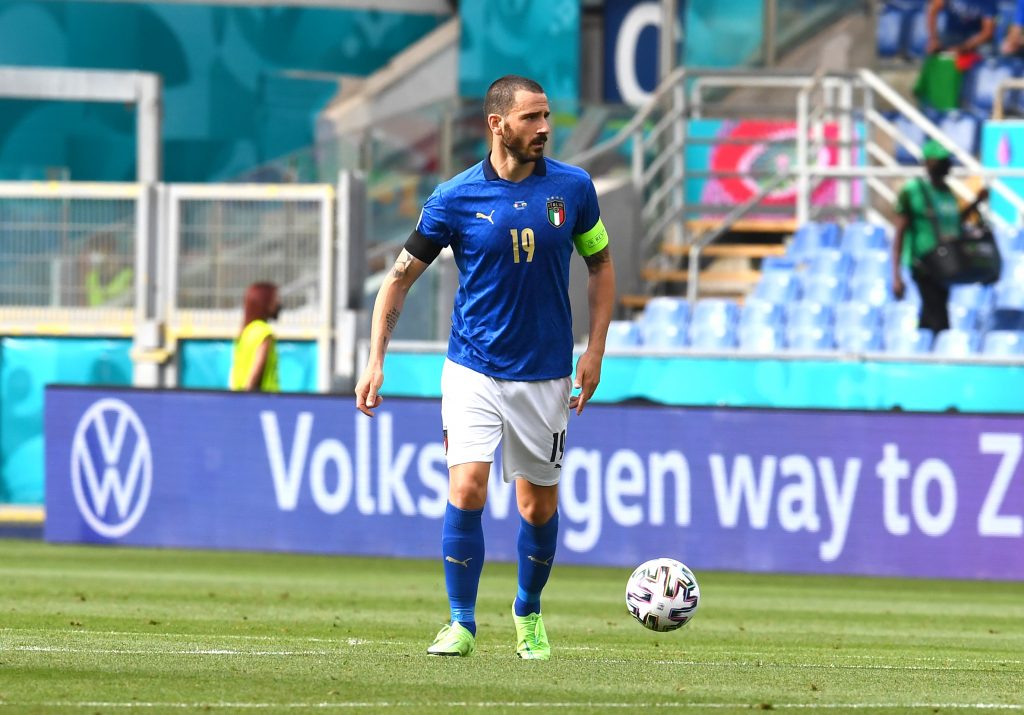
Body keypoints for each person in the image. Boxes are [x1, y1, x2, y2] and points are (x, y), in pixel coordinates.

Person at [354, 75, 615, 660]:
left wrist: (595, 350)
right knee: (467, 486)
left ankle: (528, 610)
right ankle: (461, 622)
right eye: (530, 118)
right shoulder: (454, 197)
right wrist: (375, 361)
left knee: (536, 506)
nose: (543, 128)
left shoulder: (574, 189)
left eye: (546, 116)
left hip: (546, 371)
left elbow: (601, 266)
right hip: (473, 367)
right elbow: (397, 280)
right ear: (497, 124)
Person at [892, 140, 988, 332]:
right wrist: (896, 274)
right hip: (924, 263)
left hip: (946, 263)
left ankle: (925, 343)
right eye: (940, 161)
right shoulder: (914, 191)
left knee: (931, 315)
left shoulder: (947, 192)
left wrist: (976, 203)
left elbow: (955, 222)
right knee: (937, 316)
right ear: (927, 163)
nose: (946, 165)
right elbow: (900, 231)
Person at [229, 281, 281, 392]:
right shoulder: (264, 332)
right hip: (265, 398)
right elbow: (256, 372)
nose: (278, 304)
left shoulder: (245, 332)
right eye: (275, 300)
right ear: (265, 303)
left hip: (237, 395)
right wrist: (249, 396)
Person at [926, 0, 997, 57]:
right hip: (951, 33)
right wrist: (933, 39)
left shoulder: (988, 1)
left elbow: (988, 32)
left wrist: (963, 48)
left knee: (987, 50)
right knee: (932, 49)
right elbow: (933, 10)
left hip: (974, 37)